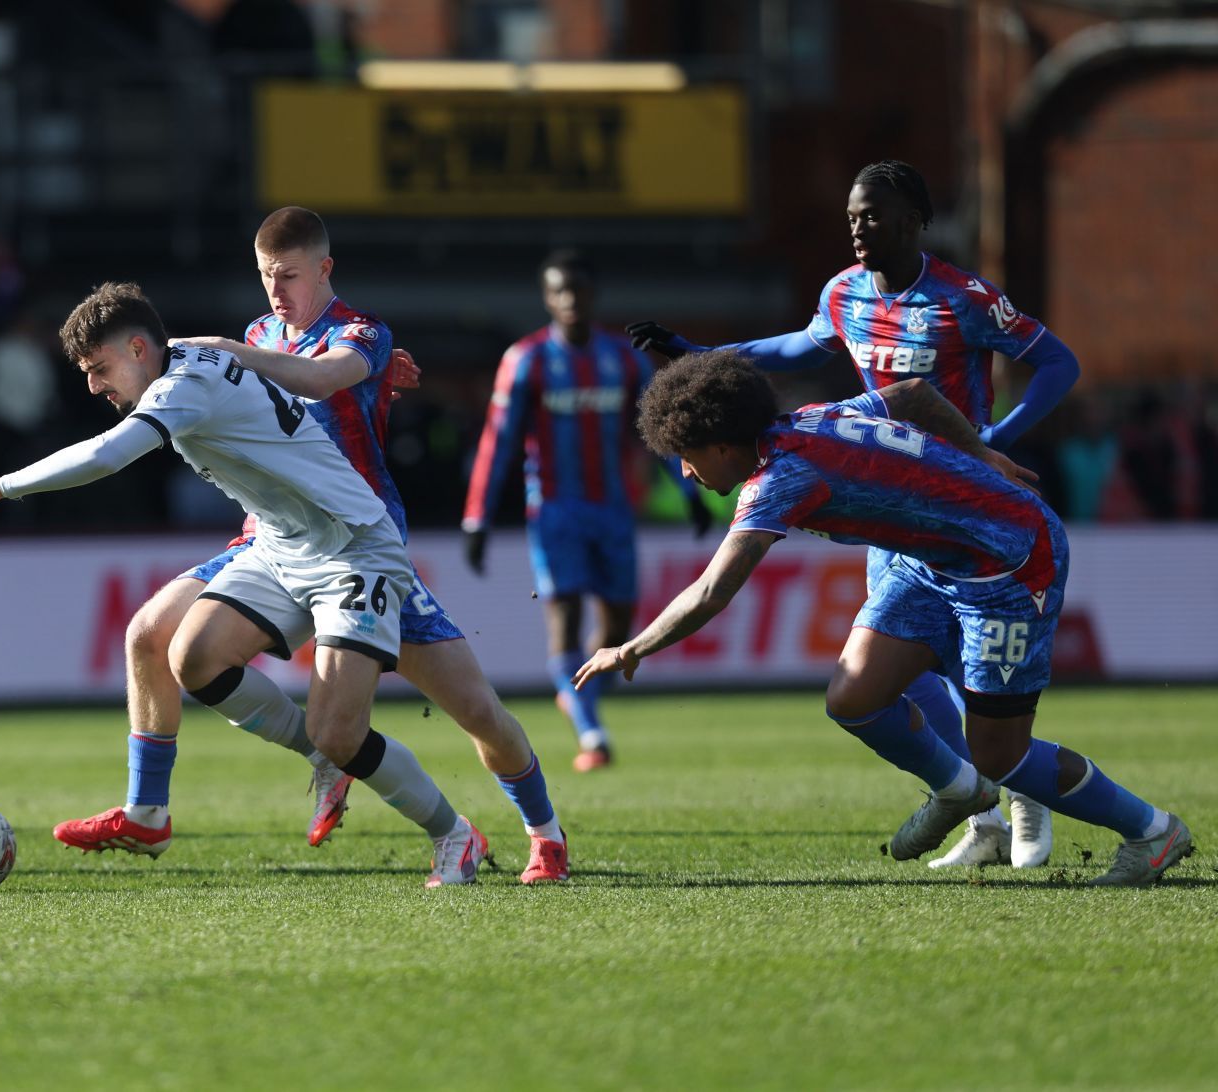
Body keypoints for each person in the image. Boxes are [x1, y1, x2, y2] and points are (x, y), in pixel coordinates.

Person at [52, 208, 568, 885]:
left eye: (289, 275)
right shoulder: (261, 333)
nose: (276, 291)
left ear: (324, 269)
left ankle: (545, 834)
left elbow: (323, 379)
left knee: (476, 711)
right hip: (273, 537)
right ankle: (150, 811)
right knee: (155, 635)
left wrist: (238, 351)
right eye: (266, 276)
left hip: (358, 545)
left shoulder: (362, 333)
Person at [0, 282, 492, 887]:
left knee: (338, 731)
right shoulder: (179, 357)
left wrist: (0, 486)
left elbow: (105, 457)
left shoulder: (182, 388)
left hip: (354, 547)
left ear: (140, 348)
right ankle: (166, 808)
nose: (95, 387)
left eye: (100, 369)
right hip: (282, 543)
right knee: (190, 656)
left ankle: (454, 834)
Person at [573, 351, 1191, 886]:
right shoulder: (815, 417)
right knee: (854, 696)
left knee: (1002, 752)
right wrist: (981, 453)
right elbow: (911, 394)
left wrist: (630, 649)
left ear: (723, 445)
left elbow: (712, 591)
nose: (685, 471)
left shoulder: (780, 477)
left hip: (1010, 564)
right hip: (931, 564)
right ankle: (960, 790)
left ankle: (1151, 830)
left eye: (687, 456)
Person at [626, 159, 1082, 869]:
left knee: (967, 664)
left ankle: (1021, 795)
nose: (857, 227)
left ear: (912, 219)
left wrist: (992, 442)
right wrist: (699, 354)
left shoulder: (964, 297)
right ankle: (983, 813)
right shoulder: (843, 293)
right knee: (899, 664)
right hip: (885, 504)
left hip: (964, 507)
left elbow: (1059, 363)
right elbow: (794, 347)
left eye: (870, 214)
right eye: (851, 217)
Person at [464, 250, 712, 772]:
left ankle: (577, 695)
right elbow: (498, 442)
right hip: (555, 512)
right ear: (547, 297)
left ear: (592, 295)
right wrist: (477, 516)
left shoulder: (622, 359)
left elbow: (657, 435)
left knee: (619, 627)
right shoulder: (527, 359)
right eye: (560, 291)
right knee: (566, 614)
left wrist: (690, 494)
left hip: (614, 511)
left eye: (578, 290)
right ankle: (591, 732)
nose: (570, 300)